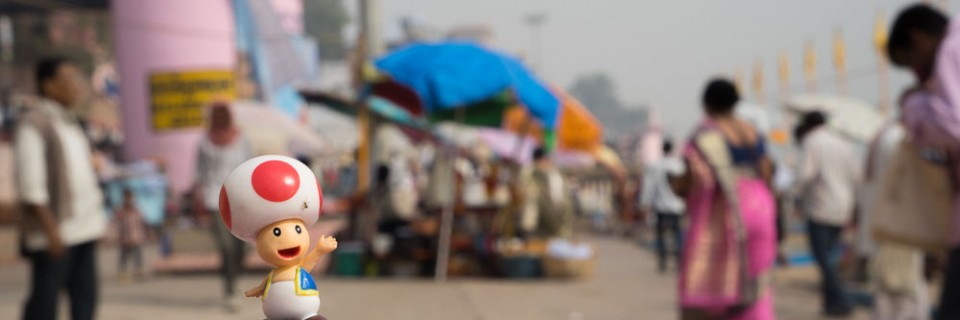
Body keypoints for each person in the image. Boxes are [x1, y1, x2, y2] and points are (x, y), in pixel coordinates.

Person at [674, 78, 777, 319]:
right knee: (756, 284)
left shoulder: (705, 135)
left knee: (714, 289)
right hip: (761, 210)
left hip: (727, 212)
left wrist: (678, 187)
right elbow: (767, 172)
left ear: (706, 104)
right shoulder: (752, 132)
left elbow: (693, 179)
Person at [15, 57, 107, 320]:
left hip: (83, 229)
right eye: (70, 80)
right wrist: (52, 232)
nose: (77, 86)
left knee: (85, 299)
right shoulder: (34, 124)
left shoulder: (70, 122)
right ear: (49, 86)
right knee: (44, 303)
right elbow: (31, 187)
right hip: (56, 233)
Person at [887, 5, 960, 319]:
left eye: (910, 62)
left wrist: (914, 106)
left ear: (918, 39)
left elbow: (953, 126)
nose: (917, 73)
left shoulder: (951, 48)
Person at [862, 92, 929, 320]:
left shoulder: (887, 136)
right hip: (901, 225)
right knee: (901, 288)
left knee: (894, 287)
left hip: (891, 224)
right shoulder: (901, 139)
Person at [793, 111, 862, 317]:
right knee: (830, 258)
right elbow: (857, 176)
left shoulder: (812, 142)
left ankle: (841, 299)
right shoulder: (843, 143)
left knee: (823, 258)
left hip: (820, 208)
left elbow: (804, 174)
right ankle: (831, 303)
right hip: (843, 208)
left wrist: (795, 196)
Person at [195, 101, 253, 312]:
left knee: (241, 247)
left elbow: (249, 166)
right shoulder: (205, 142)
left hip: (239, 197)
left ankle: (234, 276)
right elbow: (200, 172)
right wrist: (198, 198)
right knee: (226, 247)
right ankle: (230, 290)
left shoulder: (241, 139)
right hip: (213, 199)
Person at [640, 140, 686, 273]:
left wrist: (645, 203)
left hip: (661, 205)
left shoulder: (655, 166)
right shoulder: (679, 165)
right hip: (677, 205)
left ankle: (663, 261)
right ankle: (678, 261)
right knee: (677, 233)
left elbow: (649, 186)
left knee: (661, 234)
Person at [521, 147, 574, 238]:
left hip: (560, 219)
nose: (546, 162)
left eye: (547, 159)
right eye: (543, 159)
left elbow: (564, 196)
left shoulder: (557, 172)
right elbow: (531, 196)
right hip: (541, 222)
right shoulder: (531, 173)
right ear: (537, 160)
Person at [114, 189, 146, 283]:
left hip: (135, 237)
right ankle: (123, 273)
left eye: (130, 198)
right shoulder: (121, 211)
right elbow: (116, 224)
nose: (129, 200)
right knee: (123, 257)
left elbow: (141, 223)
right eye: (127, 198)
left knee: (137, 255)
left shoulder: (136, 211)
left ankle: (138, 271)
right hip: (125, 238)